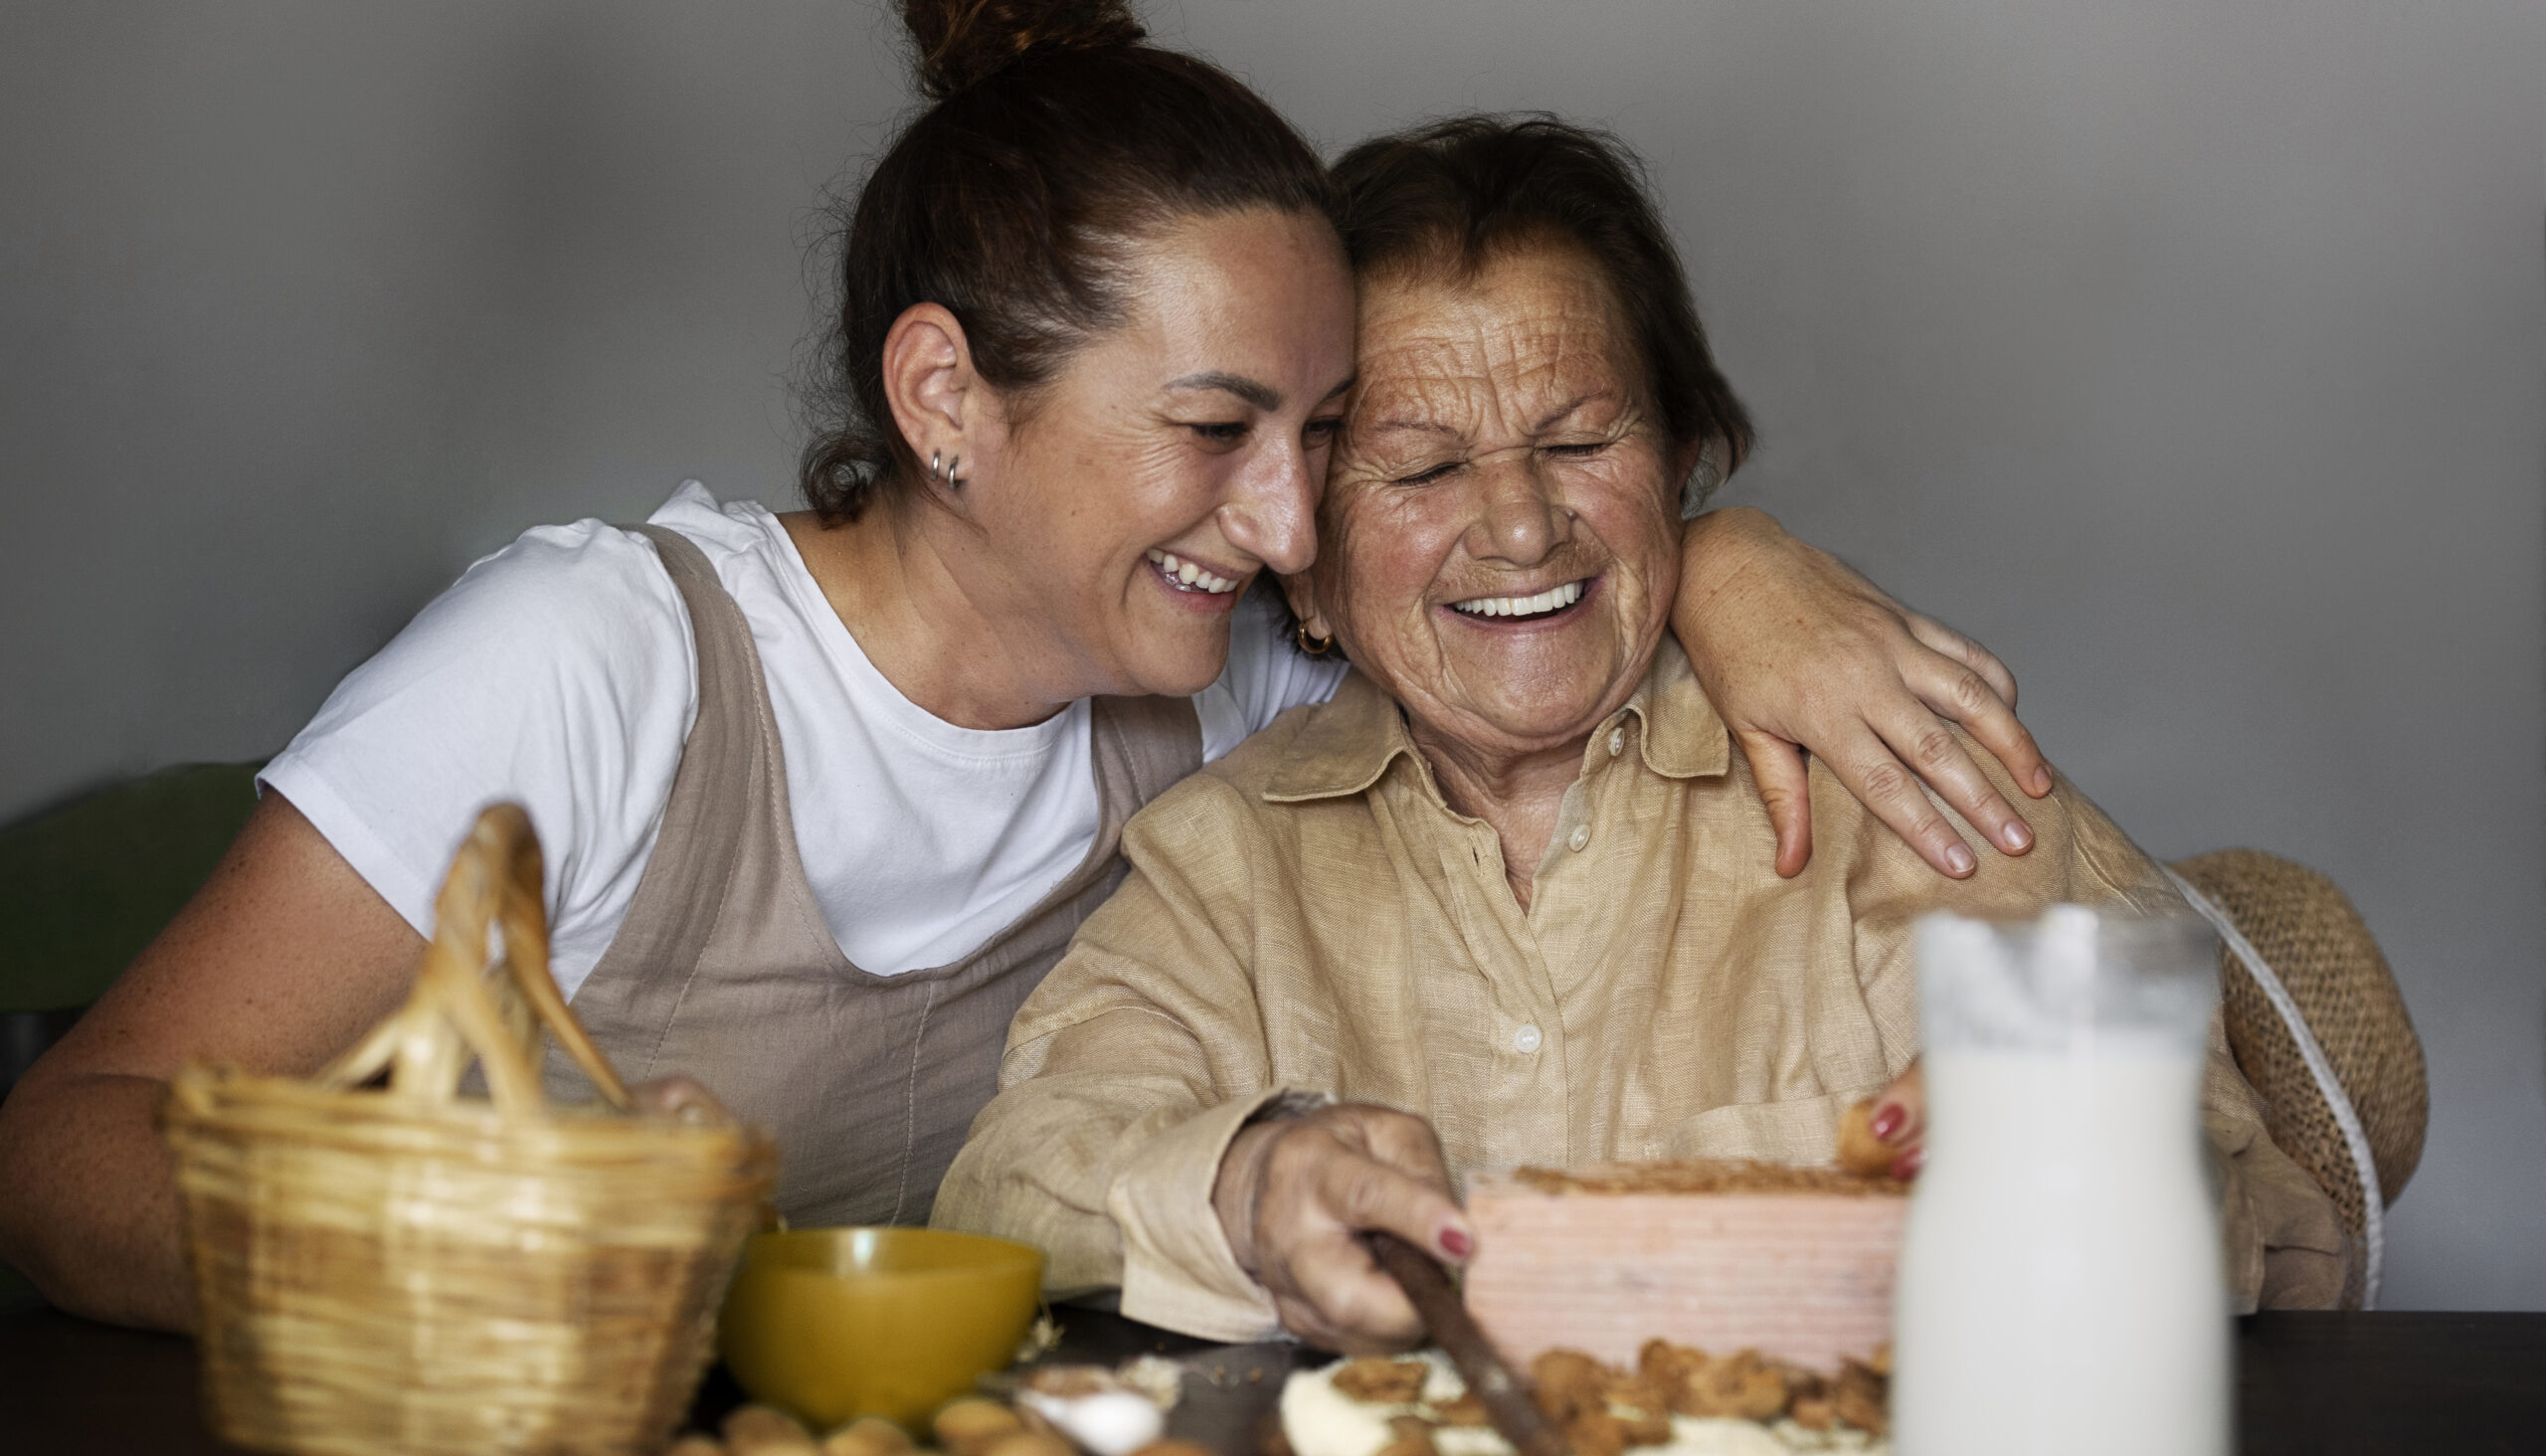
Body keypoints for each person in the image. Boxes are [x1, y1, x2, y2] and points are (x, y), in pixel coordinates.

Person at [0, 3, 2053, 1334]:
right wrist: (444, 1250)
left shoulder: (1215, 690)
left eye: (1320, 437)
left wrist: (1733, 567)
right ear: (945, 397)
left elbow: (1497, 568)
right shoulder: (592, 665)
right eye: (1216, 428)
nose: (1280, 523)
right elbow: (65, 1142)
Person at [930, 115, 2348, 1350]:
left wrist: (2060, 1157)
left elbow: (2252, 1210)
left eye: (1582, 441)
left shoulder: (1892, 761)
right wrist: (1246, 1187)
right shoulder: (1225, 862)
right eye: (1420, 466)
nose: (1520, 524)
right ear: (1302, 544)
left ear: (1683, 464)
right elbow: (1010, 1187)